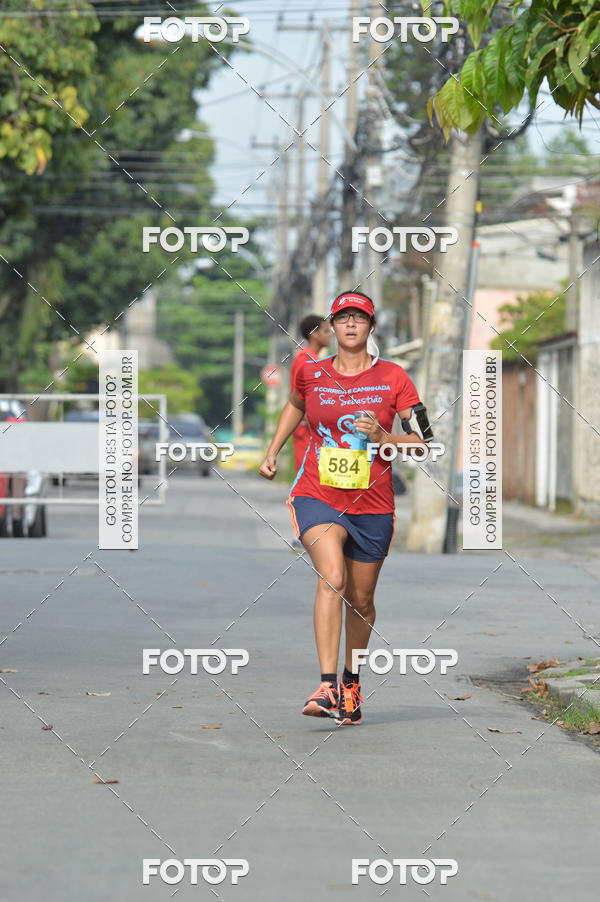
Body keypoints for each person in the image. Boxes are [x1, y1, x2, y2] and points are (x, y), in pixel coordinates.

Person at [259, 291, 427, 725]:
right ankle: (326, 685)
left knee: (361, 600)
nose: (351, 324)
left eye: (359, 318)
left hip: (372, 503)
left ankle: (352, 680)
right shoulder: (310, 372)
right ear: (331, 327)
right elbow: (295, 406)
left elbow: (423, 441)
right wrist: (273, 451)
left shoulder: (395, 378)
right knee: (331, 577)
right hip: (318, 494)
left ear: (372, 327)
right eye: (343, 318)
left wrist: (385, 438)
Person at [290, 315, 331, 473]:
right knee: (308, 476)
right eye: (326, 331)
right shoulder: (305, 359)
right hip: (307, 429)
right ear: (314, 334)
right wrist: (317, 432)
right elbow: (305, 398)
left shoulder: (314, 358)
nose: (330, 334)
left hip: (314, 429)